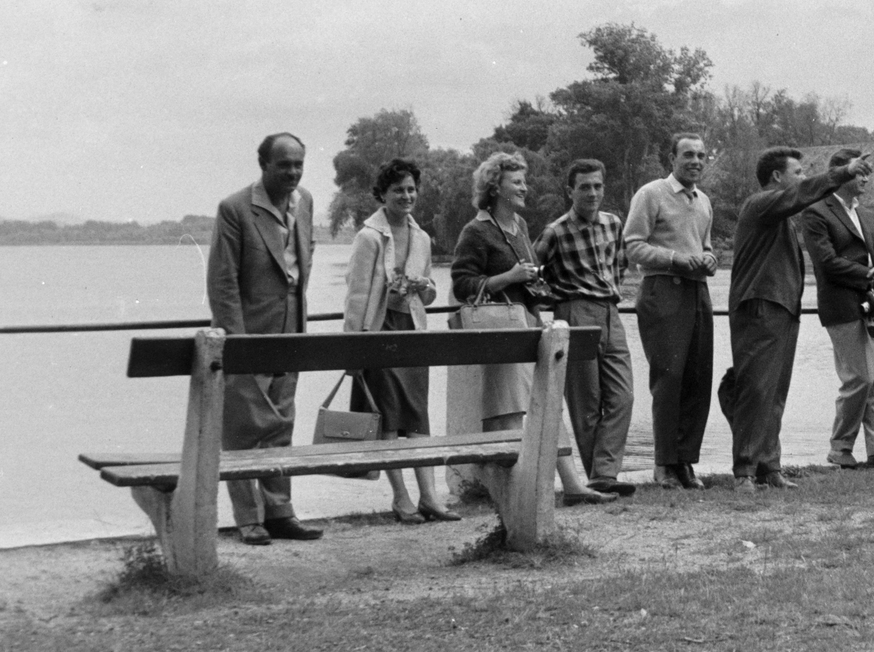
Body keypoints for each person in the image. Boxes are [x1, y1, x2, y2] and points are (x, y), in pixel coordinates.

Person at [451, 152, 613, 505]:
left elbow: (529, 271)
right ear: (496, 188)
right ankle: (508, 494)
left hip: (528, 323)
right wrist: (508, 277)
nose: (525, 187)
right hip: (499, 331)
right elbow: (462, 285)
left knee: (548, 403)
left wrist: (535, 285)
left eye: (524, 180)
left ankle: (571, 485)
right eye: (517, 182)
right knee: (506, 412)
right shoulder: (476, 231)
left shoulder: (520, 226)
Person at [727, 147, 873, 491]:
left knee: (775, 393)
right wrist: (843, 171)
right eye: (798, 171)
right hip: (760, 307)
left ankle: (768, 467)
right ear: (777, 177)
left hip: (780, 309)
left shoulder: (778, 215)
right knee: (756, 390)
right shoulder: (760, 203)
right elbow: (803, 194)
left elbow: (800, 195)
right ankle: (745, 471)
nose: (804, 177)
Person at [205, 132, 323, 545]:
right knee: (244, 425)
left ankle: (280, 513)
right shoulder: (235, 209)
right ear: (263, 165)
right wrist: (237, 343)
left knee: (281, 421)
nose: (292, 172)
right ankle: (248, 518)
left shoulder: (304, 202)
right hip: (249, 331)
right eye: (284, 164)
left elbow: (301, 263)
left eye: (298, 164)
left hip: (292, 327)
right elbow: (223, 283)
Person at [342, 158, 461, 523]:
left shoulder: (423, 237)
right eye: (398, 190)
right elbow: (357, 296)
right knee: (389, 417)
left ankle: (429, 496)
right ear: (382, 194)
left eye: (411, 189)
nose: (406, 196)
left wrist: (425, 289)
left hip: (412, 334)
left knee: (417, 416)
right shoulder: (368, 237)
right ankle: (401, 497)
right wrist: (353, 350)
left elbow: (427, 294)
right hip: (379, 334)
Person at [533, 159, 637, 498]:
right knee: (586, 402)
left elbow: (619, 266)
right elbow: (532, 273)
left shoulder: (613, 223)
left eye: (597, 186)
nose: (592, 193)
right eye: (584, 187)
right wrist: (558, 299)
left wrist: (608, 296)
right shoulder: (556, 231)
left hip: (610, 310)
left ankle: (600, 475)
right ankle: (602, 478)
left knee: (623, 396)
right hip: (575, 312)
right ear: (570, 191)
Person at [624, 133, 718, 490]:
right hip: (663, 291)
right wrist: (677, 259)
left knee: (698, 378)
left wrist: (708, 257)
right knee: (669, 378)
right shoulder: (651, 194)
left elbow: (705, 246)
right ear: (672, 158)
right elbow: (633, 246)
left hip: (698, 292)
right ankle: (663, 463)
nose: (696, 161)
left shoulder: (704, 201)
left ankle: (686, 462)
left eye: (701, 156)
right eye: (688, 155)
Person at [802, 148, 874, 470]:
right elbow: (826, 263)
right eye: (860, 173)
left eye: (867, 173)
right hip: (844, 305)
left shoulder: (869, 215)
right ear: (841, 174)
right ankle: (840, 447)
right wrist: (867, 274)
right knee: (860, 378)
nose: (866, 179)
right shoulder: (817, 212)